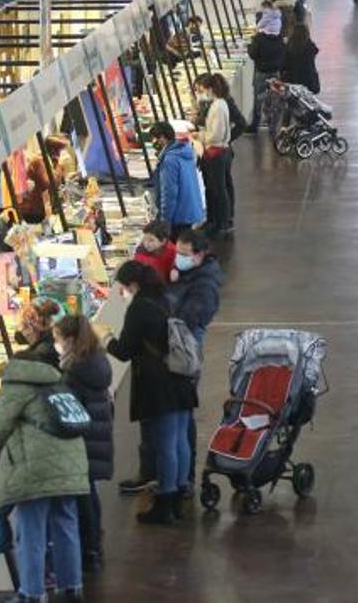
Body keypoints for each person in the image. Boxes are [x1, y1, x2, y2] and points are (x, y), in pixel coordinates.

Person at [0, 339, 89, 602]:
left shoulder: (15, 385)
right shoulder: (57, 382)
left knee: (31, 530)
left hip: (34, 468)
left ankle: (32, 593)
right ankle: (72, 588)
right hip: (72, 464)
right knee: (66, 524)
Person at [106, 261, 199, 524]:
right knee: (180, 440)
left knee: (165, 444)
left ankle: (165, 502)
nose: (121, 292)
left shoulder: (139, 308)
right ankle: (179, 492)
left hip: (159, 383)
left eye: (123, 287)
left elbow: (124, 351)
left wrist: (105, 339)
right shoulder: (164, 298)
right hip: (180, 379)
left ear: (133, 285)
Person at [52, 315, 113, 574]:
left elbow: (70, 410)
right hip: (96, 438)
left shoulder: (75, 371)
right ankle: (94, 546)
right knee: (90, 495)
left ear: (70, 339)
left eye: (58, 338)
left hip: (84, 442)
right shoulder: (96, 361)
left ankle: (89, 550)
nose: (56, 343)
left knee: (83, 498)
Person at [166, 228, 222, 486]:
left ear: (199, 255)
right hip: (181, 341)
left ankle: (185, 476)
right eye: (177, 252)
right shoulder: (190, 273)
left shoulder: (204, 284)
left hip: (186, 346)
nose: (178, 257)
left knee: (183, 410)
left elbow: (192, 316)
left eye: (184, 254)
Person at [195, 73, 235, 237]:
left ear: (210, 89)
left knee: (217, 190)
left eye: (202, 90)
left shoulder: (217, 107)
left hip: (216, 152)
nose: (201, 94)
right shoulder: (220, 104)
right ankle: (216, 221)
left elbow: (215, 135)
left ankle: (220, 223)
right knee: (217, 189)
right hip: (219, 152)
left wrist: (199, 135)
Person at [15, 298, 63, 368]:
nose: (22, 331)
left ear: (34, 327)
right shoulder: (53, 341)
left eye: (24, 326)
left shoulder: (42, 353)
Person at [134, 220, 177, 284]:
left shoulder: (174, 252)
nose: (146, 244)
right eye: (144, 239)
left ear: (163, 241)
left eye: (151, 240)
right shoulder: (141, 251)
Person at [281, 23, 321, 94]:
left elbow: (284, 65)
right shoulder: (310, 48)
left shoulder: (289, 47)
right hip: (309, 81)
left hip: (293, 81)